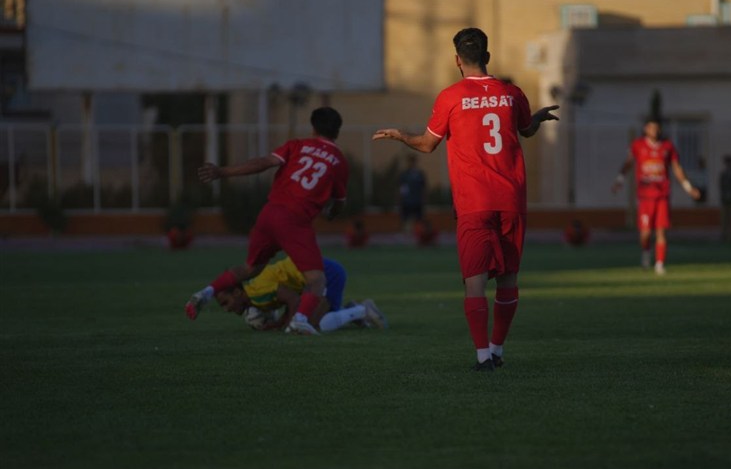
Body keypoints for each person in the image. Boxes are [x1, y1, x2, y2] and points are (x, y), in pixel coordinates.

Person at [372, 27, 559, 371]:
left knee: (474, 279)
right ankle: (498, 349)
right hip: (511, 197)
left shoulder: (450, 97)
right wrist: (537, 118)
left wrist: (401, 136)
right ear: (487, 57)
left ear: (457, 60)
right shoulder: (511, 92)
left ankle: (482, 357)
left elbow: (427, 145)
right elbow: (525, 129)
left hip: (474, 200)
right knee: (508, 277)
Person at [185, 107, 349, 335]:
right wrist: (332, 213)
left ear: (313, 127)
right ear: (337, 131)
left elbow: (263, 162)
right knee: (317, 279)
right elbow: (339, 200)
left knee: (250, 268)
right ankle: (299, 320)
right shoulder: (339, 160)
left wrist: (222, 172)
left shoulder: (297, 145)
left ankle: (207, 292)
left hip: (269, 213)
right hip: (294, 220)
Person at [189, 256, 388, 334]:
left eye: (226, 302)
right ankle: (349, 310)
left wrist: (286, 325)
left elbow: (294, 300)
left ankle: (364, 310)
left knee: (314, 325)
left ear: (238, 291)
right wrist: (279, 324)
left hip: (324, 274)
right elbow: (291, 301)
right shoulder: (254, 292)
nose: (227, 308)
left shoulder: (257, 291)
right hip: (318, 274)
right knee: (309, 320)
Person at [611, 117, 701, 275]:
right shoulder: (638, 145)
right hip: (645, 197)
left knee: (661, 231)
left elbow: (677, 168)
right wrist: (619, 180)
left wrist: (689, 188)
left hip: (662, 196)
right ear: (646, 129)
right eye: (651, 128)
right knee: (645, 234)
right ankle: (646, 253)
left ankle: (659, 264)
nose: (654, 131)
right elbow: (628, 163)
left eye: (657, 128)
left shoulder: (667, 147)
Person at [398, 154, 427, 232]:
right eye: (410, 161)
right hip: (407, 201)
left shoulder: (420, 174)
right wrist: (401, 199)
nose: (412, 163)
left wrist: (423, 199)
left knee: (418, 219)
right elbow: (401, 188)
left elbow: (423, 188)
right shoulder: (404, 174)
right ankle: (405, 233)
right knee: (405, 219)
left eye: (413, 161)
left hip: (417, 200)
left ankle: (418, 233)